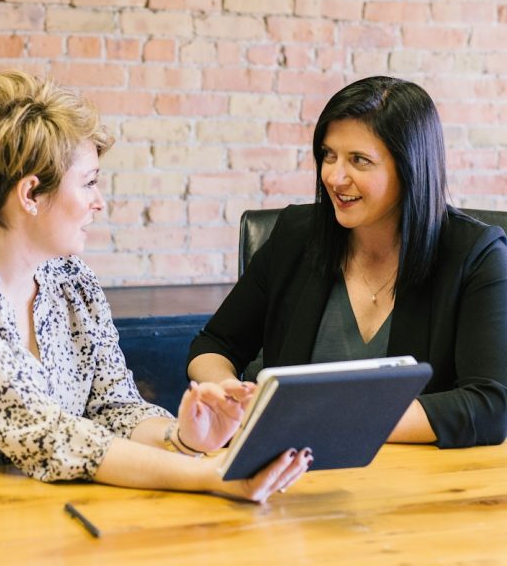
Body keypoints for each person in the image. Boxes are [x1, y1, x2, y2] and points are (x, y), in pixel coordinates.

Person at [0, 71, 311, 502]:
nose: (99, 203)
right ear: (30, 194)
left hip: (20, 510)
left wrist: (184, 438)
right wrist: (212, 475)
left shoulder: (71, 280)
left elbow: (114, 407)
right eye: (88, 183)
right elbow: (47, 435)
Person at [188, 75, 507, 449]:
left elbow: (490, 405)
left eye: (359, 160)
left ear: (410, 169)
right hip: (289, 473)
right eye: (328, 155)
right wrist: (225, 395)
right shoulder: (296, 234)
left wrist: (328, 419)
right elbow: (214, 343)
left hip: (416, 483)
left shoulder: (475, 255)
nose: (335, 177)